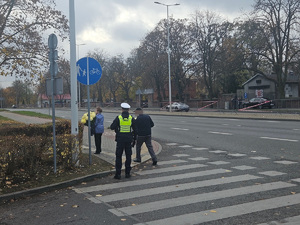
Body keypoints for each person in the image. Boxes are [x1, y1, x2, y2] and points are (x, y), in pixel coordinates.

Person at [110, 103, 137, 179]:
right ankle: (127, 173)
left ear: (122, 109)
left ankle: (118, 174)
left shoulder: (118, 118)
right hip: (128, 140)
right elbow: (135, 130)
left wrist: (117, 129)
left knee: (118, 156)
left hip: (120, 140)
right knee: (128, 156)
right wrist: (134, 139)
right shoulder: (131, 118)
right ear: (128, 110)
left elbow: (112, 127)